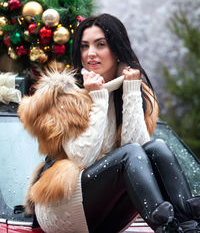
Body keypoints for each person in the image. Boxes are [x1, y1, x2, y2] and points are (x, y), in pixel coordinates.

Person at [34, 13, 200, 233]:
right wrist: (98, 99)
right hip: (63, 206)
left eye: (100, 44)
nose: (90, 53)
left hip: (107, 213)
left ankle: (189, 226)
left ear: (116, 48)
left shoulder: (130, 89)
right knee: (129, 153)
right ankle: (166, 229)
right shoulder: (66, 94)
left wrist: (131, 90)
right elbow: (82, 159)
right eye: (84, 46)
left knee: (157, 147)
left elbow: (140, 150)